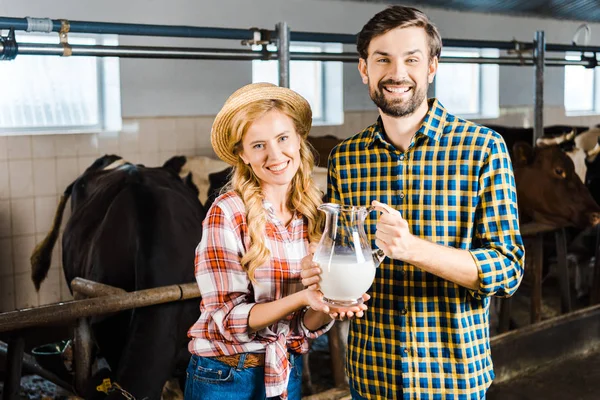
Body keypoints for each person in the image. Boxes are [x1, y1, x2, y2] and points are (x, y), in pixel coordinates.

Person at [301, 6, 525, 400]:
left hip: (452, 378)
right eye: (382, 59)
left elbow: (508, 270)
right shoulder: (347, 158)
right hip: (371, 376)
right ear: (364, 69)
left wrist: (413, 249)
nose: (396, 72)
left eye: (411, 59)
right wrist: (323, 277)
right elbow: (337, 248)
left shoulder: (483, 149)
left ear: (432, 66)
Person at [185, 82, 368, 400]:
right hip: (224, 375)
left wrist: (330, 303)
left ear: (299, 138)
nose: (275, 154)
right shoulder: (227, 212)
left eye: (283, 138)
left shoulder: (312, 213)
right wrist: (303, 298)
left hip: (286, 368)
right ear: (242, 154)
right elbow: (229, 318)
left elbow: (306, 326)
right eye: (258, 145)